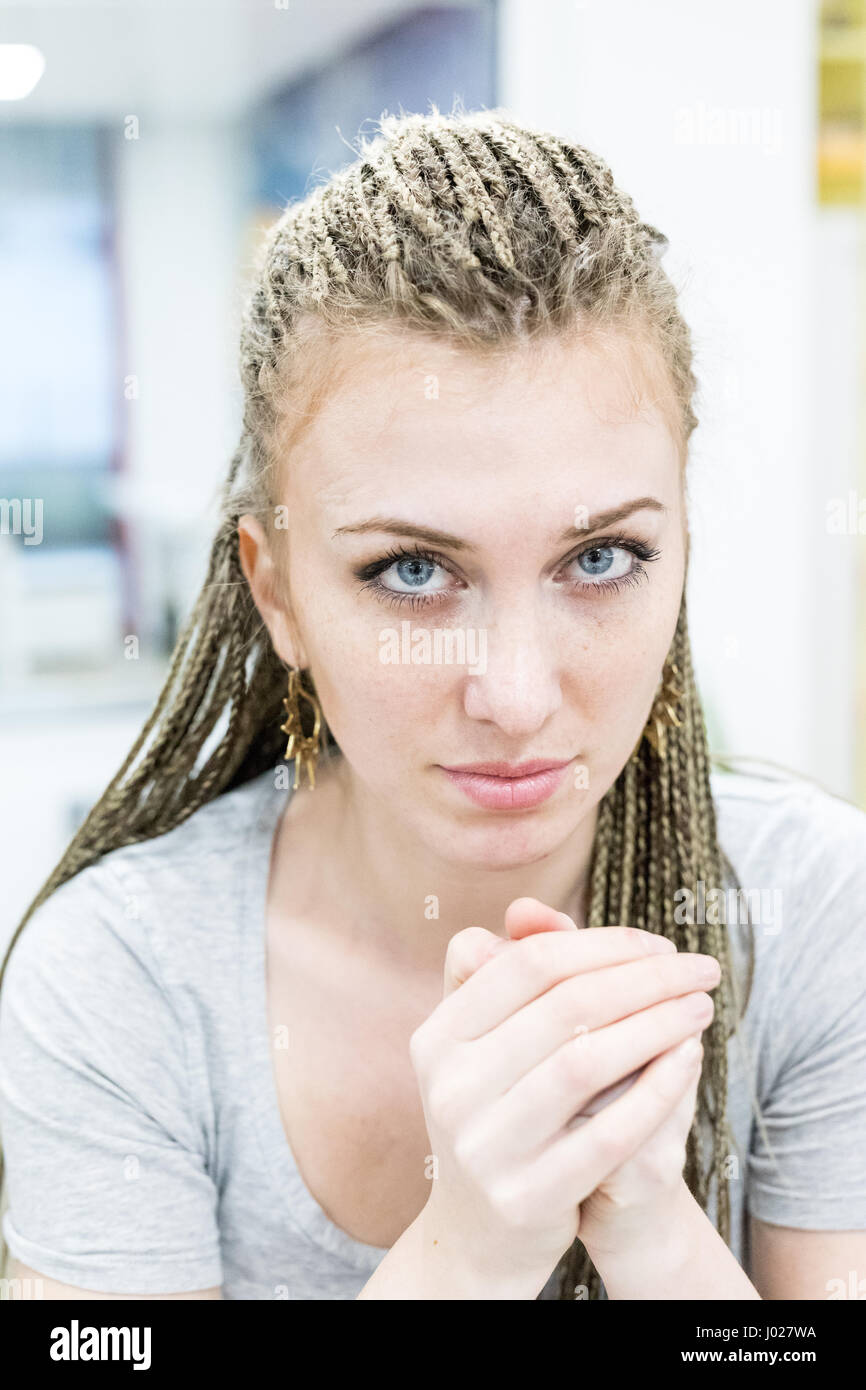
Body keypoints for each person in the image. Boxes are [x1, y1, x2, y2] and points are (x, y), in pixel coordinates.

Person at [1, 106, 865, 1302]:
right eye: (410, 572)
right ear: (278, 593)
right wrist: (470, 1250)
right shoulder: (120, 981)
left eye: (600, 557)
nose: (513, 697)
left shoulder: (818, 912)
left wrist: (653, 1232)